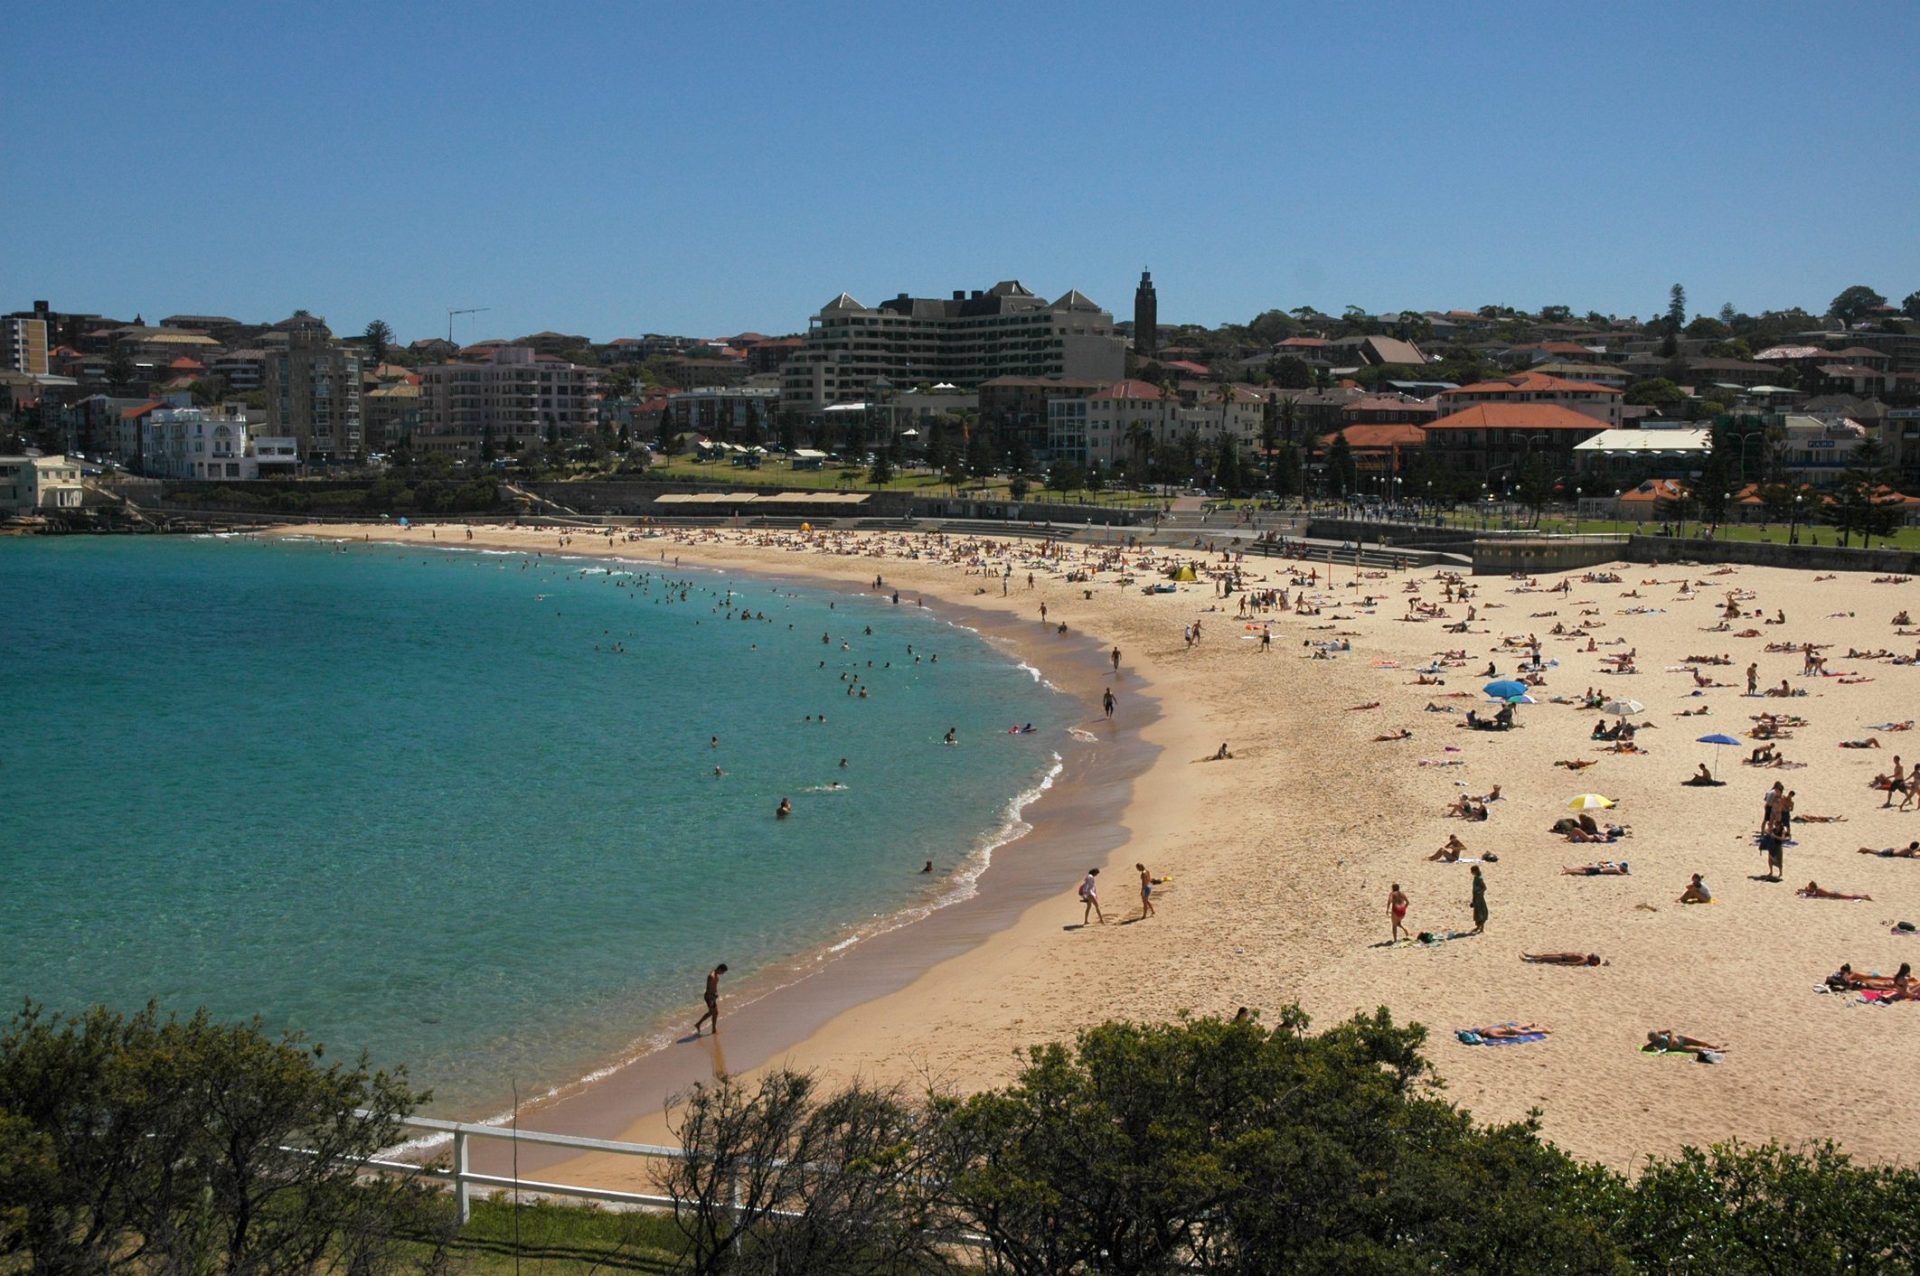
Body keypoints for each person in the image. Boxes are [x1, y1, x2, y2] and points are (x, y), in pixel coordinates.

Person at [691, 963, 729, 1036]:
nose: (723, 974)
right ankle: (699, 1024)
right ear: (720, 969)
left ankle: (712, 1029)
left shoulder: (716, 975)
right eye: (723, 972)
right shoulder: (711, 976)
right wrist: (711, 999)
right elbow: (708, 988)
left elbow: (714, 986)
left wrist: (716, 993)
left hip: (713, 996)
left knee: (715, 1013)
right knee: (713, 1012)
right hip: (709, 997)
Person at [1647, 1029, 1725, 1056]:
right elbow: (1659, 1050)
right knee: (1698, 1049)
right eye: (1655, 1038)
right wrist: (1654, 1047)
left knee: (1700, 1042)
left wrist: (1671, 1039)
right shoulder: (1659, 1044)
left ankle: (1714, 1047)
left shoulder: (1660, 1033)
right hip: (1680, 1046)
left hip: (1681, 1038)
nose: (1657, 1037)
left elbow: (1670, 1031)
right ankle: (1716, 1051)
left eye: (1656, 1035)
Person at [1798, 882, 1871, 900]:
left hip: (1835, 895)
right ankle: (1863, 896)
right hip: (1833, 895)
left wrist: (1805, 891)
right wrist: (1804, 891)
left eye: (1809, 887)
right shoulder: (1816, 890)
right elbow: (1811, 894)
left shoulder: (1818, 890)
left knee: (1849, 897)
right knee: (1849, 897)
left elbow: (1814, 895)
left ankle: (1864, 897)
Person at [1470, 865, 1488, 933]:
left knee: (1481, 912)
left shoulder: (1479, 878)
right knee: (1477, 912)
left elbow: (1484, 887)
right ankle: (1478, 926)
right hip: (1476, 898)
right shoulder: (1476, 878)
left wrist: (1479, 892)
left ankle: (1482, 928)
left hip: (1480, 899)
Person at [1523, 952, 1605, 966]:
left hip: (1562, 959)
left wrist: (1564, 964)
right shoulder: (1584, 956)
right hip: (1562, 955)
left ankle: (1528, 960)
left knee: (1544, 959)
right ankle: (1530, 955)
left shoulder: (1585, 960)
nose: (1590, 954)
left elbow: (1575, 964)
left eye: (1592, 955)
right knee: (1545, 955)